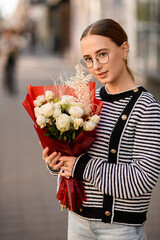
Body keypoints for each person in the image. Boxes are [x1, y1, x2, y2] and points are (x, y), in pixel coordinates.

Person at [42, 19, 160, 240]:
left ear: (124, 49)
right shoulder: (85, 100)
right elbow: (74, 163)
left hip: (120, 229)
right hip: (77, 222)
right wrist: (57, 162)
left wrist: (81, 166)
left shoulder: (147, 107)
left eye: (102, 54)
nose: (95, 65)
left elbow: (143, 179)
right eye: (88, 59)